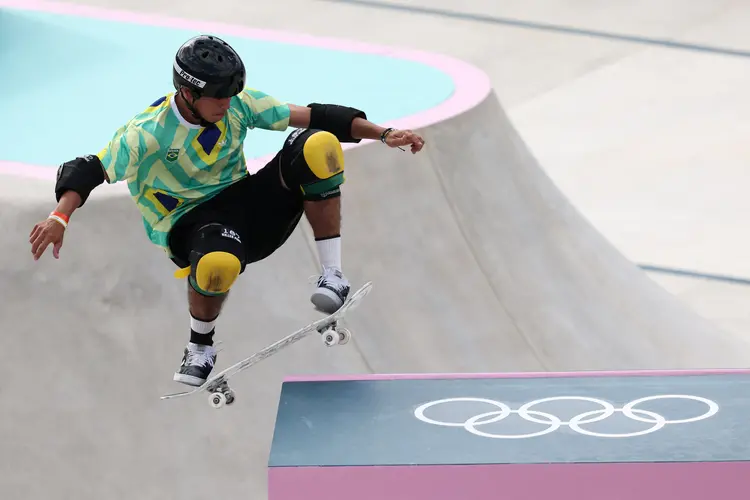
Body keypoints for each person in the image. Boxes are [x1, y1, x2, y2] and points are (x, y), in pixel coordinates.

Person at [28, 34, 425, 387]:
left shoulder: (237, 106)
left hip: (247, 205)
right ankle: (200, 347)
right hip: (190, 225)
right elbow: (90, 168)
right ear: (186, 91)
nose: (226, 104)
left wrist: (385, 134)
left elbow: (317, 115)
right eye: (217, 96)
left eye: (231, 94)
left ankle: (333, 277)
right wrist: (59, 216)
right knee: (218, 263)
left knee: (317, 143)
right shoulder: (146, 133)